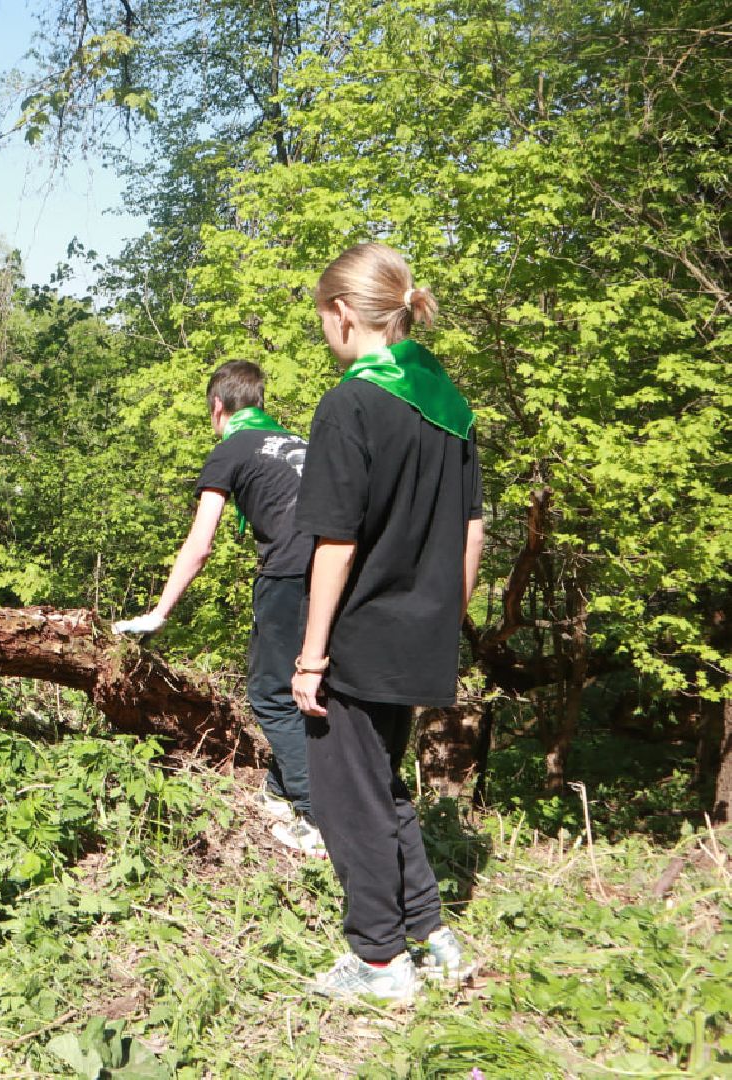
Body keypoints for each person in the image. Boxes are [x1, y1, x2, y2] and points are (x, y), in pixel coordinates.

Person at [290, 242, 484, 1003]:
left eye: (322, 319)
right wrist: (445, 619)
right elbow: (471, 531)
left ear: (343, 314)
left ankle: (377, 963)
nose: (323, 332)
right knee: (382, 787)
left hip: (358, 633)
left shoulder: (350, 402)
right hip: (422, 629)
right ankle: (431, 935)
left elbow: (334, 542)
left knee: (347, 797)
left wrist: (309, 658)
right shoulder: (447, 402)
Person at [113, 361, 321, 857]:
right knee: (312, 686)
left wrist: (159, 612)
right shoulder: (301, 445)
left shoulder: (231, 449)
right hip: (344, 569)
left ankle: (318, 821)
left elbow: (200, 543)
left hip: (290, 572)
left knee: (271, 693)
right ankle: (281, 789)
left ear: (217, 407)